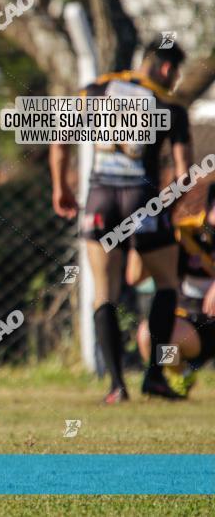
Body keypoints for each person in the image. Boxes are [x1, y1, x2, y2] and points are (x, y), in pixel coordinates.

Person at [50, 39, 192, 403]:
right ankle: (155, 378)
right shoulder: (169, 104)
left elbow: (58, 137)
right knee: (165, 283)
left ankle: (116, 386)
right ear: (165, 68)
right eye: (175, 73)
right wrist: (168, 209)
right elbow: (183, 172)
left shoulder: (94, 90)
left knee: (105, 291)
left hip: (100, 197)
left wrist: (61, 187)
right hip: (142, 200)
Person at [128, 184, 215, 396]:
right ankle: (182, 373)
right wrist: (139, 240)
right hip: (192, 325)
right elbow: (134, 277)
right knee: (148, 334)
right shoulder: (187, 234)